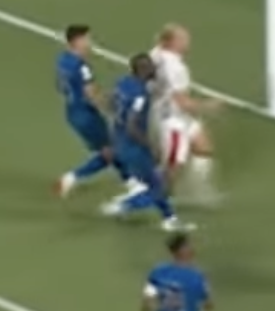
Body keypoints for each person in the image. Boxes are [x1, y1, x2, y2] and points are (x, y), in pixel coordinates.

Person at [103, 55, 191, 232]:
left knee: (156, 183)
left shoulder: (122, 83)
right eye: (151, 67)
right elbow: (132, 125)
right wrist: (149, 145)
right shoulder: (140, 95)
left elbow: (110, 104)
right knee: (160, 188)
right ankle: (124, 205)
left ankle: (170, 219)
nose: (154, 69)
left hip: (119, 141)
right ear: (142, 70)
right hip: (134, 148)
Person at [53, 24, 140, 203]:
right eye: (87, 39)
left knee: (109, 149)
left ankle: (131, 182)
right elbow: (91, 94)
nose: (90, 43)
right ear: (77, 41)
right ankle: (72, 177)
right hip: (87, 115)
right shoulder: (81, 67)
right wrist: (111, 109)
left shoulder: (62, 60)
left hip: (72, 113)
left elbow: (60, 86)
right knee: (112, 150)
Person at [151, 25, 221, 201]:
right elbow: (183, 103)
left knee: (204, 149)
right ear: (173, 43)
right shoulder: (176, 68)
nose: (188, 42)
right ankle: (157, 194)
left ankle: (199, 191)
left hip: (167, 111)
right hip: (172, 120)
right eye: (183, 39)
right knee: (174, 165)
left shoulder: (156, 54)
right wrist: (209, 106)